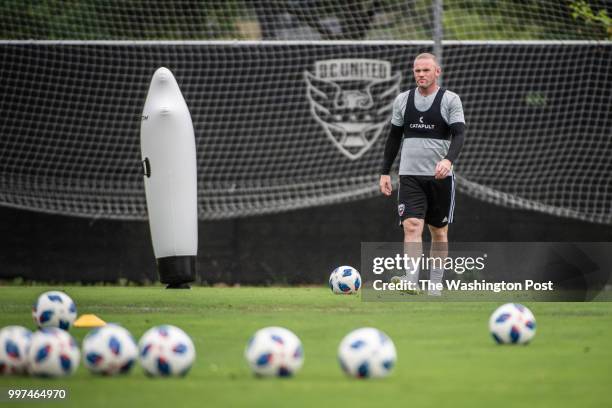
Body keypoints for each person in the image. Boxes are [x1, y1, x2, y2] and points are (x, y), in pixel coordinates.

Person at [379, 53, 466, 295]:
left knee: (438, 231)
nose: (421, 75)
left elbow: (459, 134)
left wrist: (448, 160)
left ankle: (436, 285)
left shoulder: (450, 100)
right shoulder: (403, 100)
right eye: (417, 71)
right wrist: (385, 172)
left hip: (440, 178)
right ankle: (411, 280)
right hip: (409, 176)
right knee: (412, 225)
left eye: (426, 70)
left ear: (437, 71)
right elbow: (394, 136)